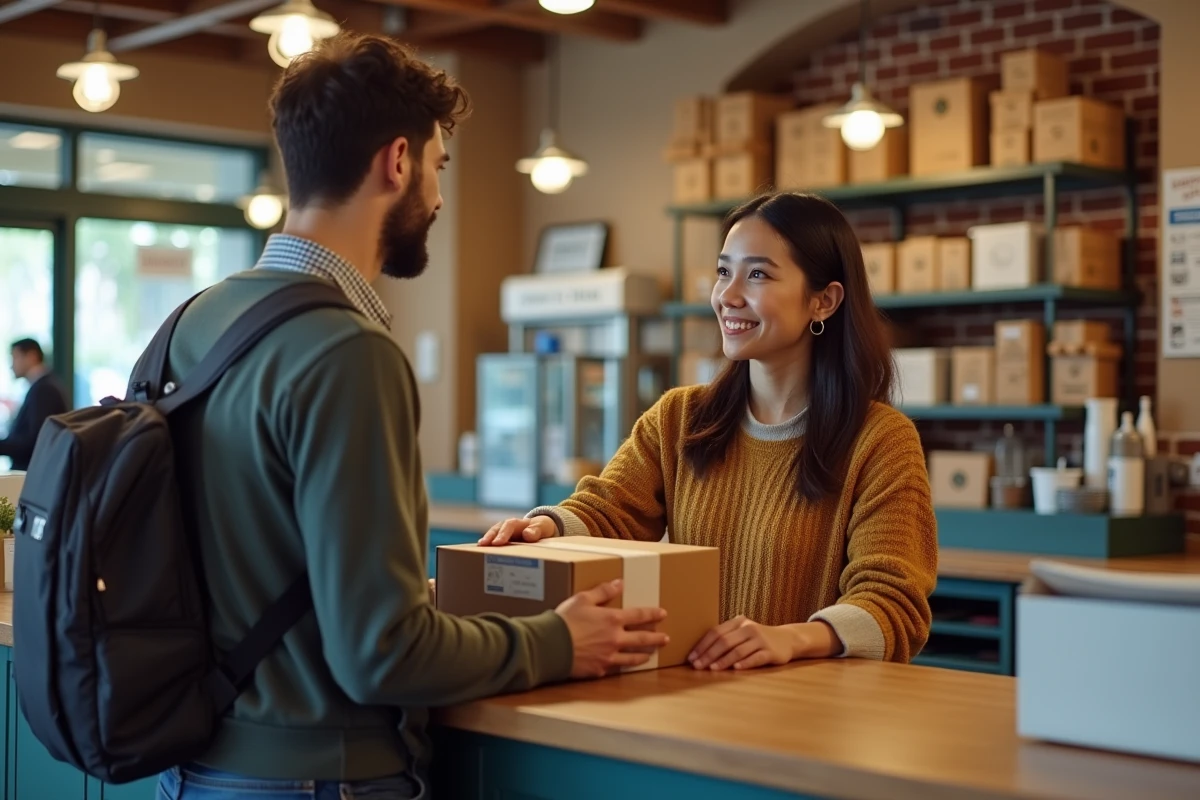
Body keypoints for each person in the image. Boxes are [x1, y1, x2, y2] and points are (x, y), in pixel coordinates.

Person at [153, 33, 667, 800]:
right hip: (317, 778)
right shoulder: (346, 351)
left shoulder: (192, 321)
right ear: (398, 161)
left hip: (194, 769)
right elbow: (380, 653)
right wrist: (559, 640)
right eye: (440, 167)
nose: (439, 195)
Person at [483, 191, 938, 670]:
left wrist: (794, 639)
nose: (728, 295)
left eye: (757, 274)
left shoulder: (882, 439)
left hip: (809, 713)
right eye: (724, 272)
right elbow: (609, 510)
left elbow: (894, 604)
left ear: (823, 301)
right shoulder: (680, 418)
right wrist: (546, 527)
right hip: (692, 698)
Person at [0, 339, 68, 471]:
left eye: (15, 358)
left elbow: (35, 441)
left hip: (32, 476)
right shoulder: (43, 386)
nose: (11, 366)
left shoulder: (44, 389)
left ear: (31, 356)